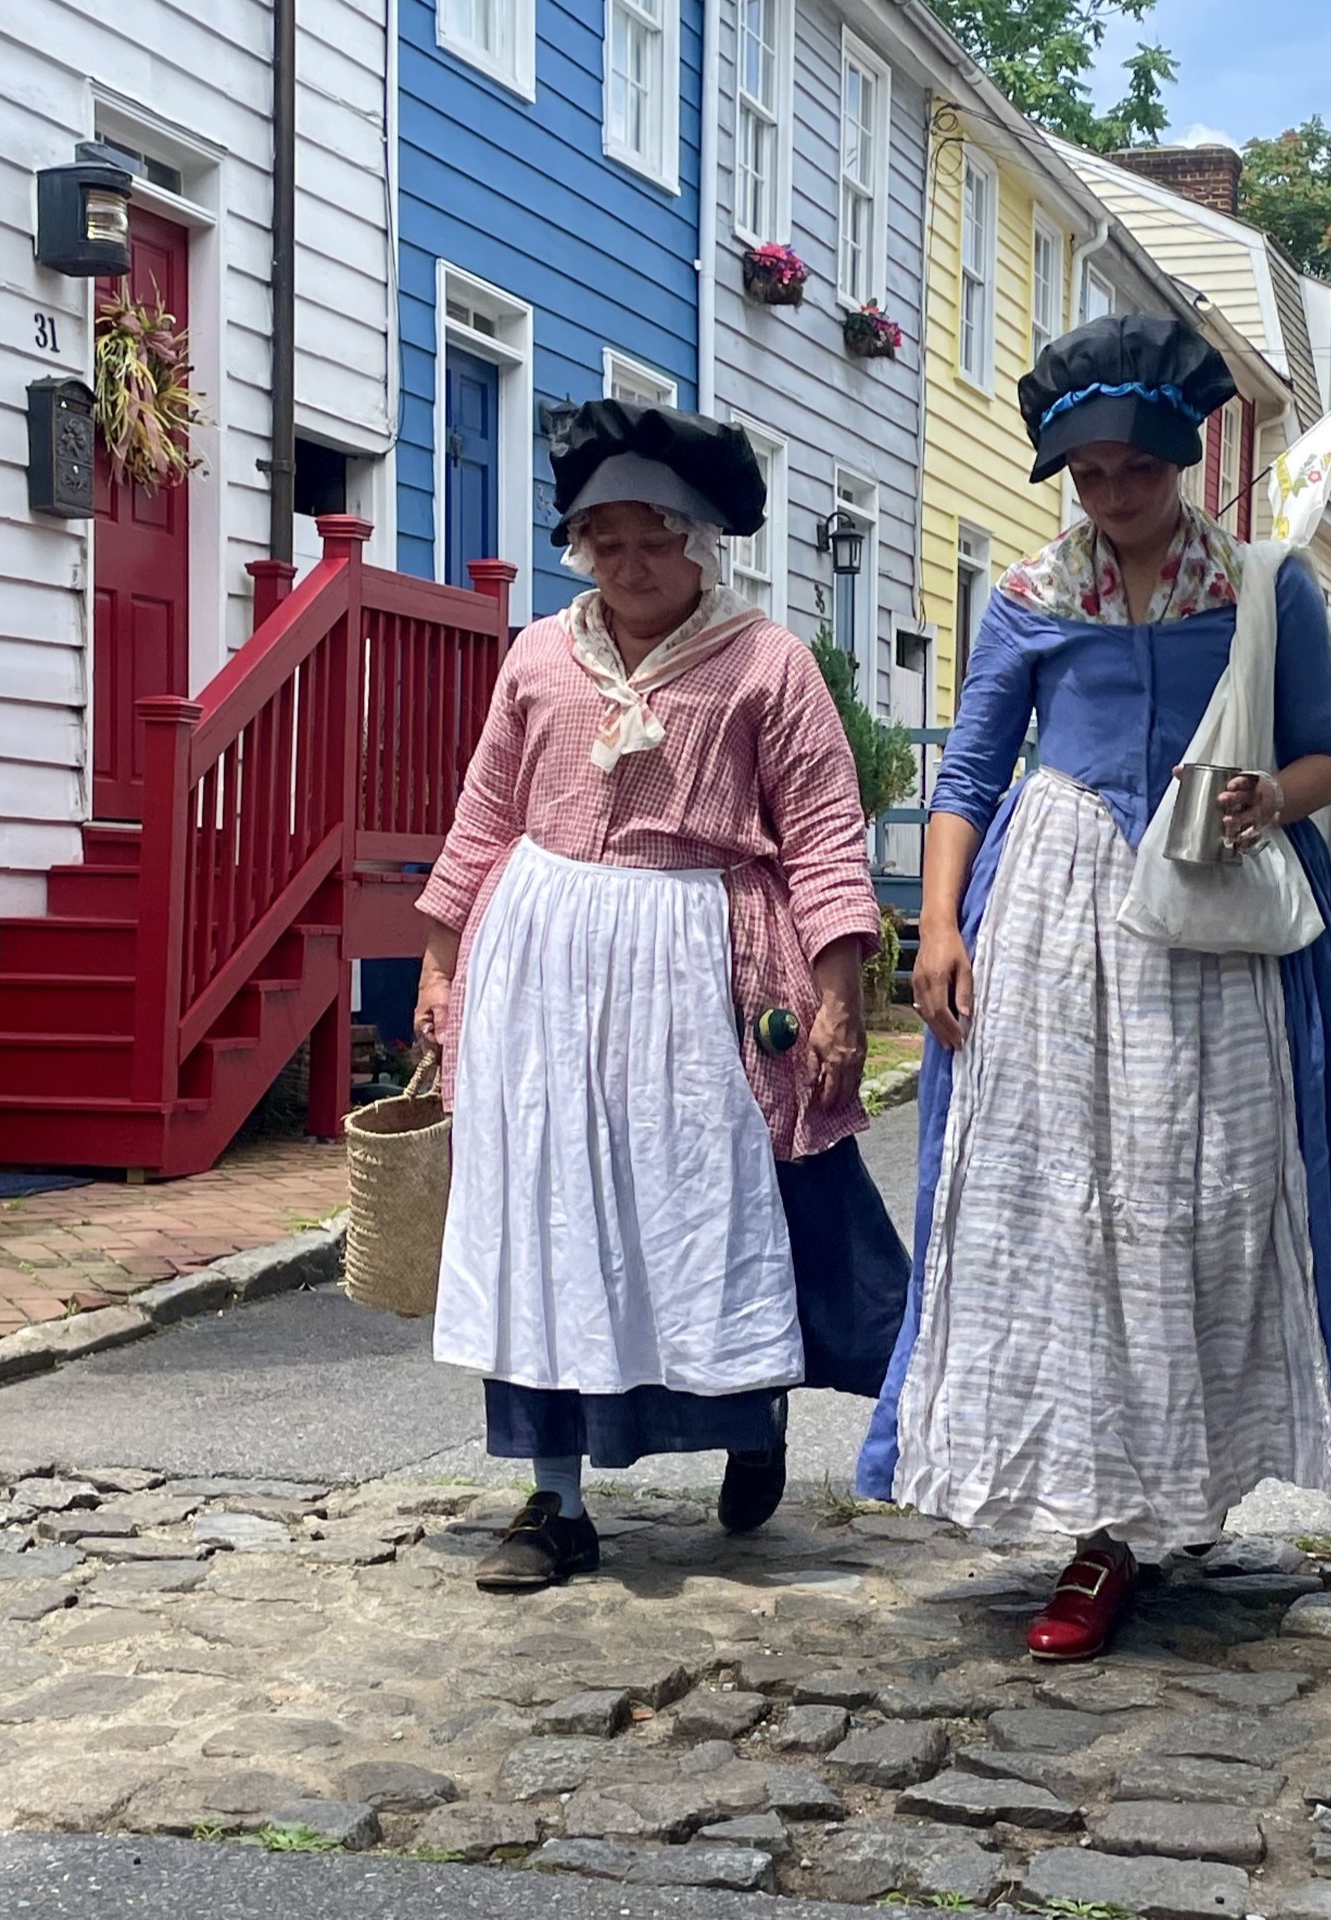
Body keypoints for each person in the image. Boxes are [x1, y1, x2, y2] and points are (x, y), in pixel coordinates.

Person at [857, 314, 1331, 1662]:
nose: (1112, 496)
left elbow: (1324, 763)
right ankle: (1094, 1520)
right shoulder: (1026, 597)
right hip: (1055, 920)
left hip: (1207, 931)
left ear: (1178, 462)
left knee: (1192, 1207)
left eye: (1134, 470)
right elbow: (967, 776)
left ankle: (1162, 1493)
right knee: (1057, 1224)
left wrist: (1262, 800)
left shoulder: (1261, 588)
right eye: (1087, 475)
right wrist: (938, 929)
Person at [415, 398, 909, 1593]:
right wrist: (439, 966)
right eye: (605, 542)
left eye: (654, 540)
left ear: (700, 543)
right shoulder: (539, 655)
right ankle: (553, 1498)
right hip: (541, 959)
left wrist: (840, 992)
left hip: (701, 958)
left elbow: (828, 837)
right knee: (550, 1216)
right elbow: (485, 813)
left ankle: (748, 1414)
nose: (630, 565)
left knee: (707, 1200)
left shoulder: (767, 665)